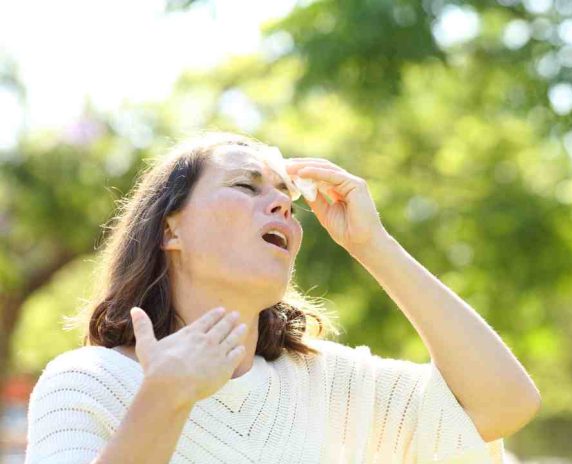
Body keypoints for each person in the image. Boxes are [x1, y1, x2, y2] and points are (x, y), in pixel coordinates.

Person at [24, 131, 541, 463]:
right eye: (247, 188)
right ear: (170, 230)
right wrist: (165, 397)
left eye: (285, 196)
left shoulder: (328, 384)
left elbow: (504, 405)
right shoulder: (88, 384)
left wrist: (372, 245)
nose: (280, 204)